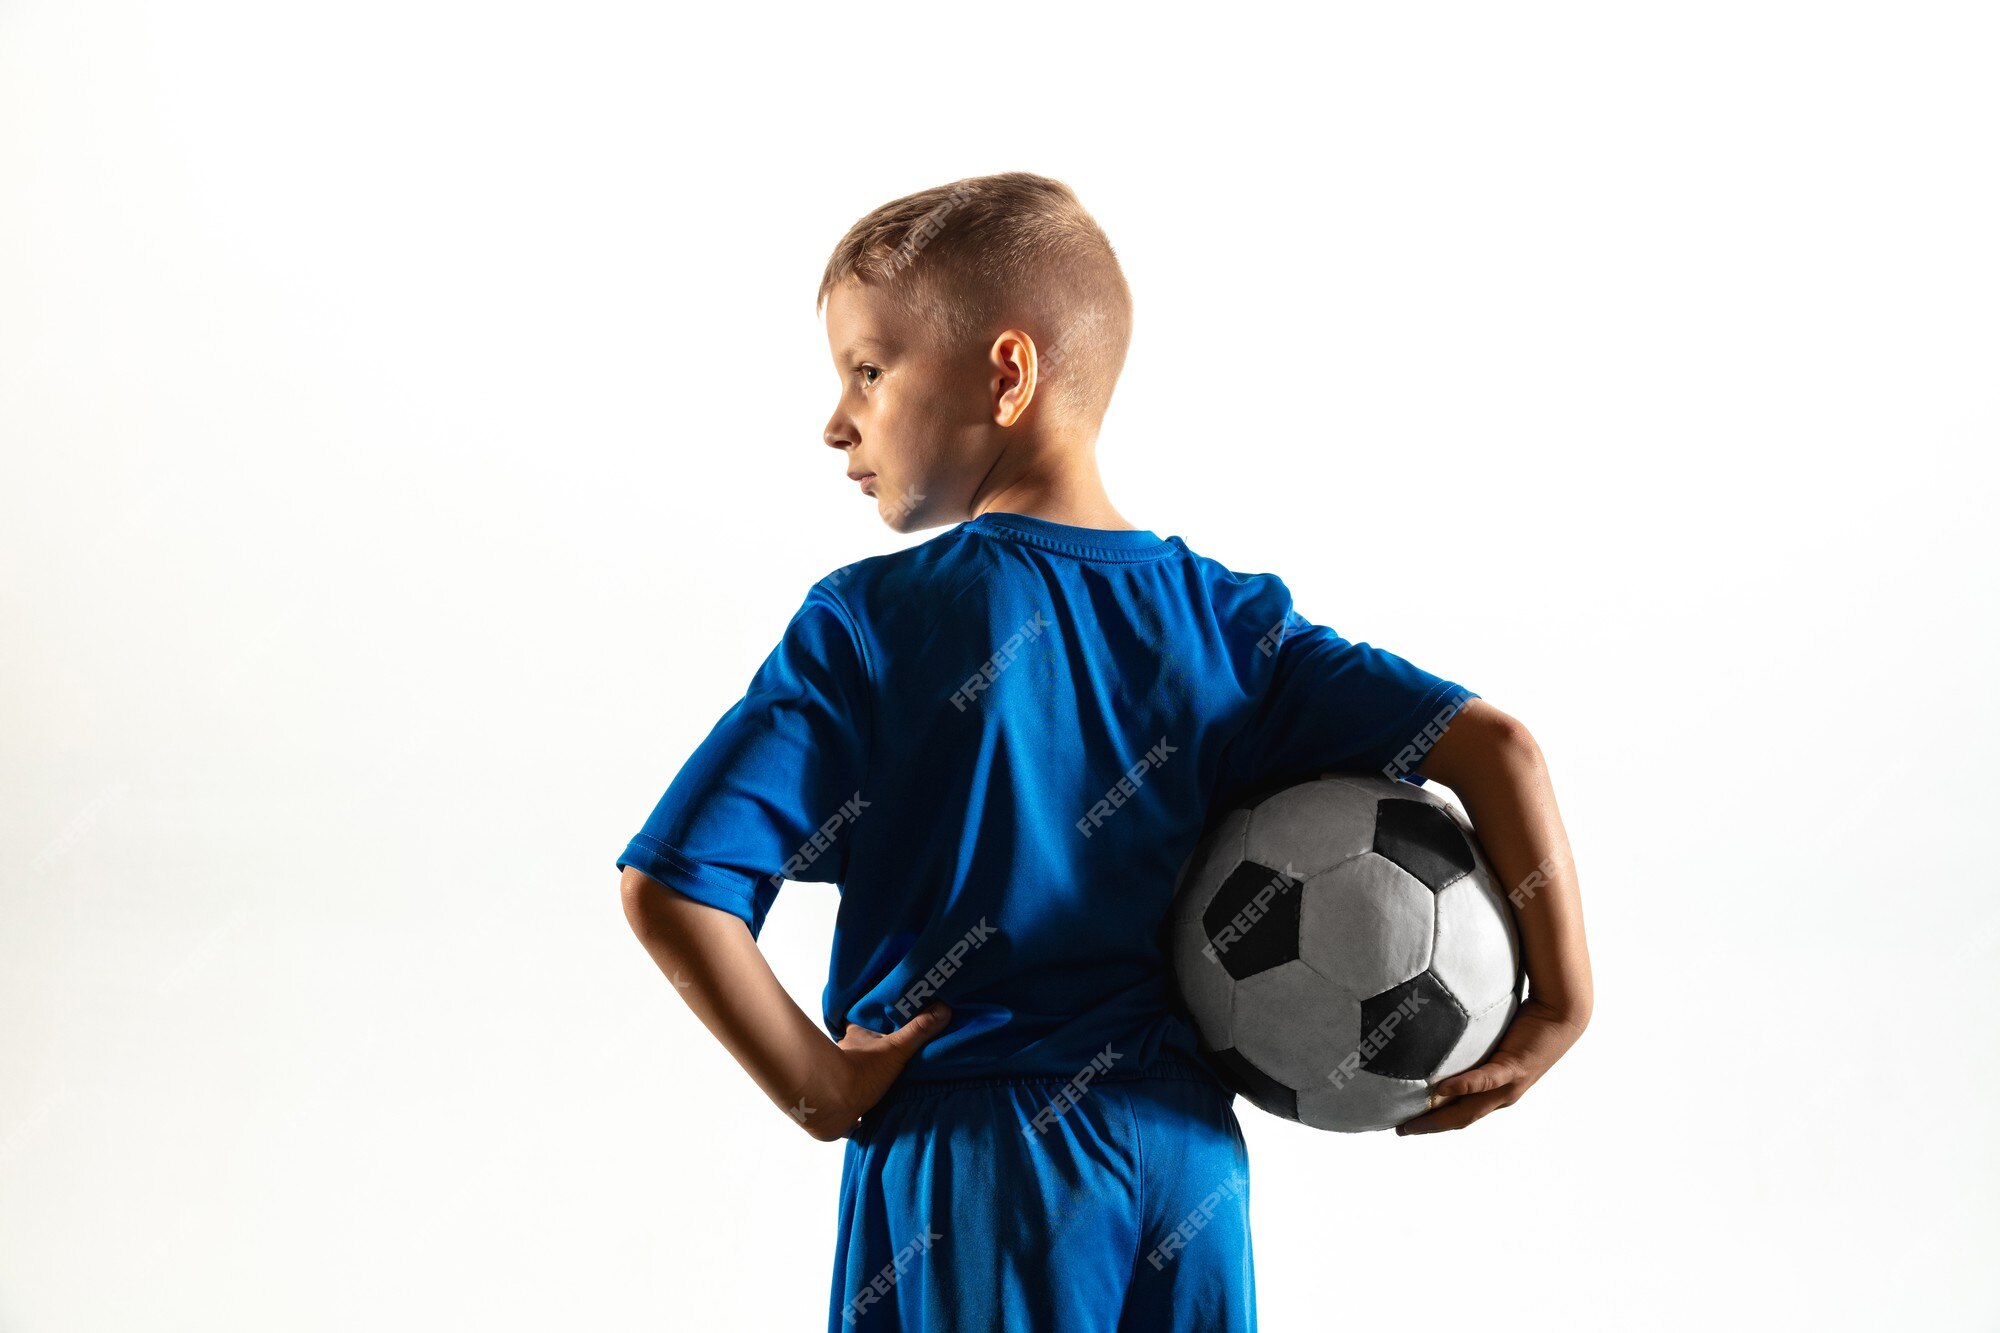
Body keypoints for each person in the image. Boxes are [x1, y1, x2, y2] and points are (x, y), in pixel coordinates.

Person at [616, 172, 1593, 1332]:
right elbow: (1496, 747)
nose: (837, 418)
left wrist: (823, 1087)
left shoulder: (869, 624)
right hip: (1185, 1163)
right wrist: (1557, 1005)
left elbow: (671, 884)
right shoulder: (1230, 624)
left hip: (976, 1164)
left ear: (1007, 373)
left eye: (867, 371)